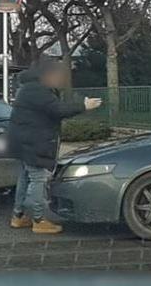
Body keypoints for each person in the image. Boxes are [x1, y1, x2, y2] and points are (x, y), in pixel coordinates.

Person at [8, 60, 102, 234]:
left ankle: (18, 215)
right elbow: (58, 109)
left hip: (25, 141)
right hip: (34, 142)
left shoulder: (29, 88)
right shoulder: (37, 90)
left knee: (25, 178)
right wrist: (84, 106)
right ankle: (38, 220)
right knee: (38, 179)